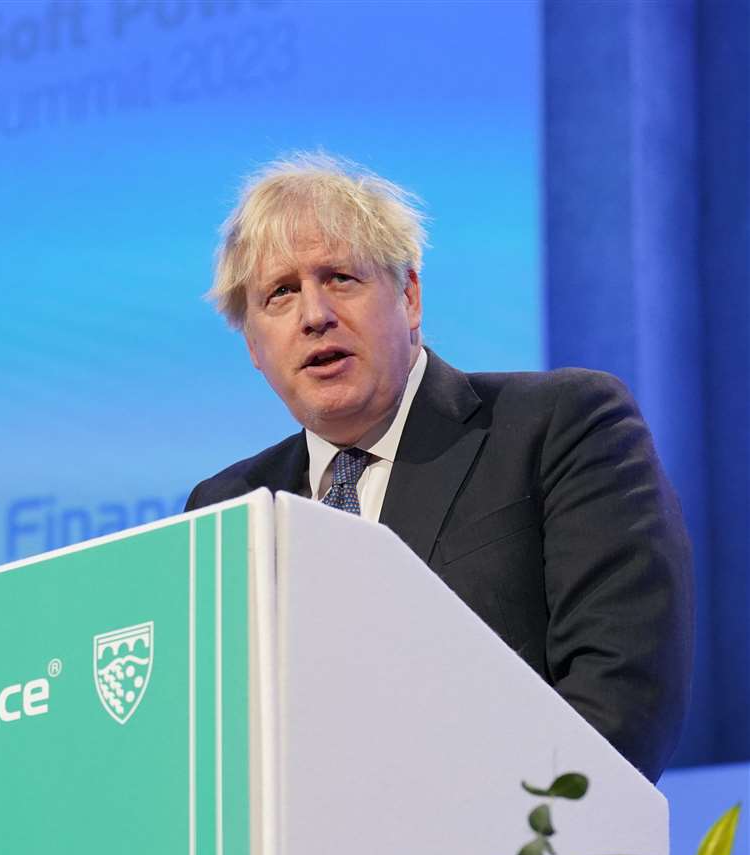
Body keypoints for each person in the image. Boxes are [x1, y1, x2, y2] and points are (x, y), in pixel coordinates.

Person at [185, 152, 693, 783]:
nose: (314, 315)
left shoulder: (560, 423)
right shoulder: (227, 508)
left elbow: (620, 697)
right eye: (280, 294)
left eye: (340, 277)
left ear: (409, 295)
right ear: (253, 346)